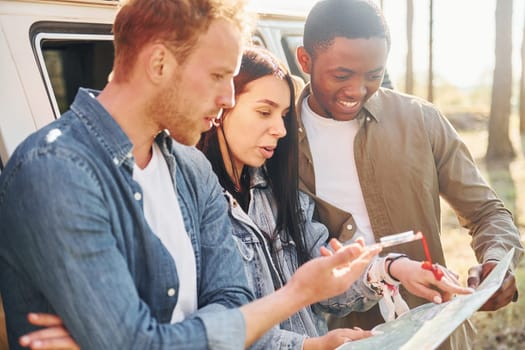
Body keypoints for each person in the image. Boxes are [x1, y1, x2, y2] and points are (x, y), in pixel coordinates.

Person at [17, 46, 474, 350]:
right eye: (263, 112)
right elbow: (220, 320)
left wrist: (393, 269)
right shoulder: (184, 195)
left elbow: (322, 266)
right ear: (222, 106)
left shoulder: (277, 193)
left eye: (282, 115)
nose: (280, 128)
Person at [0, 0, 382, 349]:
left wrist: (144, 337)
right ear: (159, 64)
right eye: (218, 75)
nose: (228, 99)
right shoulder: (56, 170)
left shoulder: (191, 169)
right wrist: (289, 296)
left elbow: (234, 302)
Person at [294, 0, 524, 349]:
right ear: (305, 61)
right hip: (342, 339)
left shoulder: (421, 120)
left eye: (373, 75)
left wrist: (495, 260)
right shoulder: (278, 144)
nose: (357, 90)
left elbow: (486, 211)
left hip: (438, 334)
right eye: (342, 75)